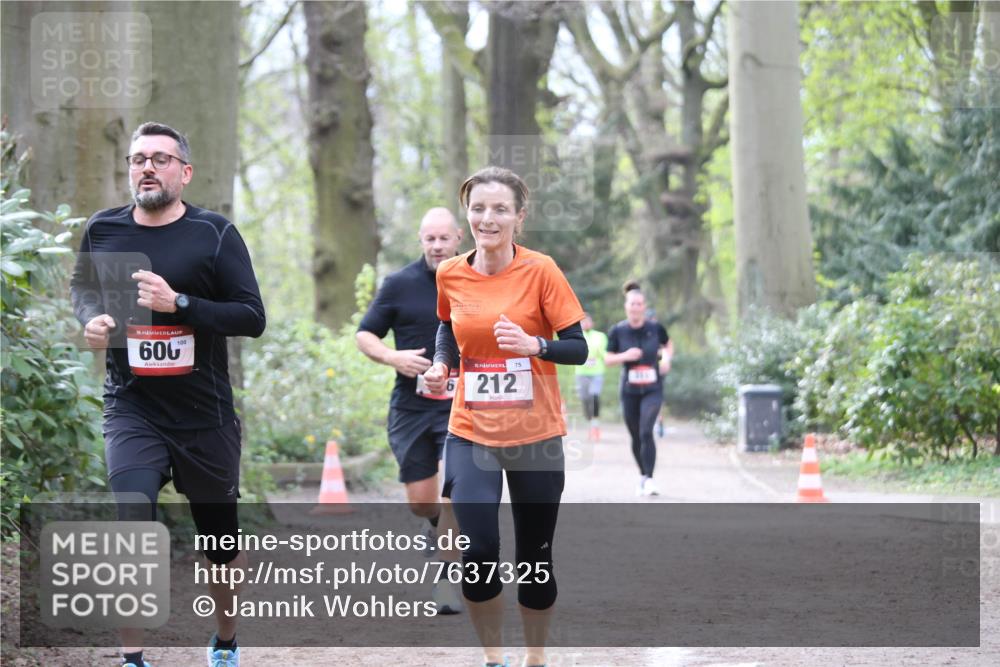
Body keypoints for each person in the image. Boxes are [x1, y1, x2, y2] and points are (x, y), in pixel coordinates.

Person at [70, 122, 265, 667]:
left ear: (185, 171)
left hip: (205, 415)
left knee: (219, 541)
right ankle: (132, 658)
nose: (147, 168)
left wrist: (179, 304)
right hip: (132, 407)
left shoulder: (214, 234)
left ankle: (225, 638)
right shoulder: (103, 229)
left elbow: (252, 317)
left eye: (160, 158)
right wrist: (93, 320)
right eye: (138, 159)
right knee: (132, 517)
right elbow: (83, 288)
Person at [423, 166, 588, 667]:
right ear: (466, 214)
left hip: (536, 437)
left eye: (499, 209)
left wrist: (536, 344)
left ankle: (535, 658)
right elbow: (447, 328)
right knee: (477, 556)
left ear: (519, 216)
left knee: (535, 559)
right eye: (477, 208)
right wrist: (440, 365)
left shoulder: (542, 271)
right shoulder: (451, 272)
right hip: (471, 433)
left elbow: (578, 348)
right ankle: (495, 659)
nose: (487, 218)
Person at [355, 207, 465, 614]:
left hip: (460, 406)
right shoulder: (399, 284)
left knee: (455, 490)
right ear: (421, 241)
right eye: (430, 239)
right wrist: (391, 357)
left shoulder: (475, 281)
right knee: (423, 501)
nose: (437, 246)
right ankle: (432, 522)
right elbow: (365, 333)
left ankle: (445, 581)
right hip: (412, 406)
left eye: (444, 238)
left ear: (459, 238)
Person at [605, 281, 672, 497]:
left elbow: (668, 344)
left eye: (639, 303)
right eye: (632, 303)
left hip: (653, 387)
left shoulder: (655, 328)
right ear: (626, 306)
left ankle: (650, 479)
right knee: (635, 435)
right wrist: (625, 356)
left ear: (644, 306)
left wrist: (666, 359)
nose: (636, 307)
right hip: (629, 390)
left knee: (646, 431)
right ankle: (643, 475)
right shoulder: (618, 331)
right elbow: (607, 359)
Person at [575, 312, 608, 442]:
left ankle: (595, 425)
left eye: (588, 321)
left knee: (594, 395)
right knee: (584, 399)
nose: (586, 323)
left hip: (597, 372)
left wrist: (607, 357)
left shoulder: (600, 336)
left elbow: (604, 352)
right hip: (581, 373)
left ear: (592, 323)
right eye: (583, 321)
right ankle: (590, 421)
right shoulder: (577, 337)